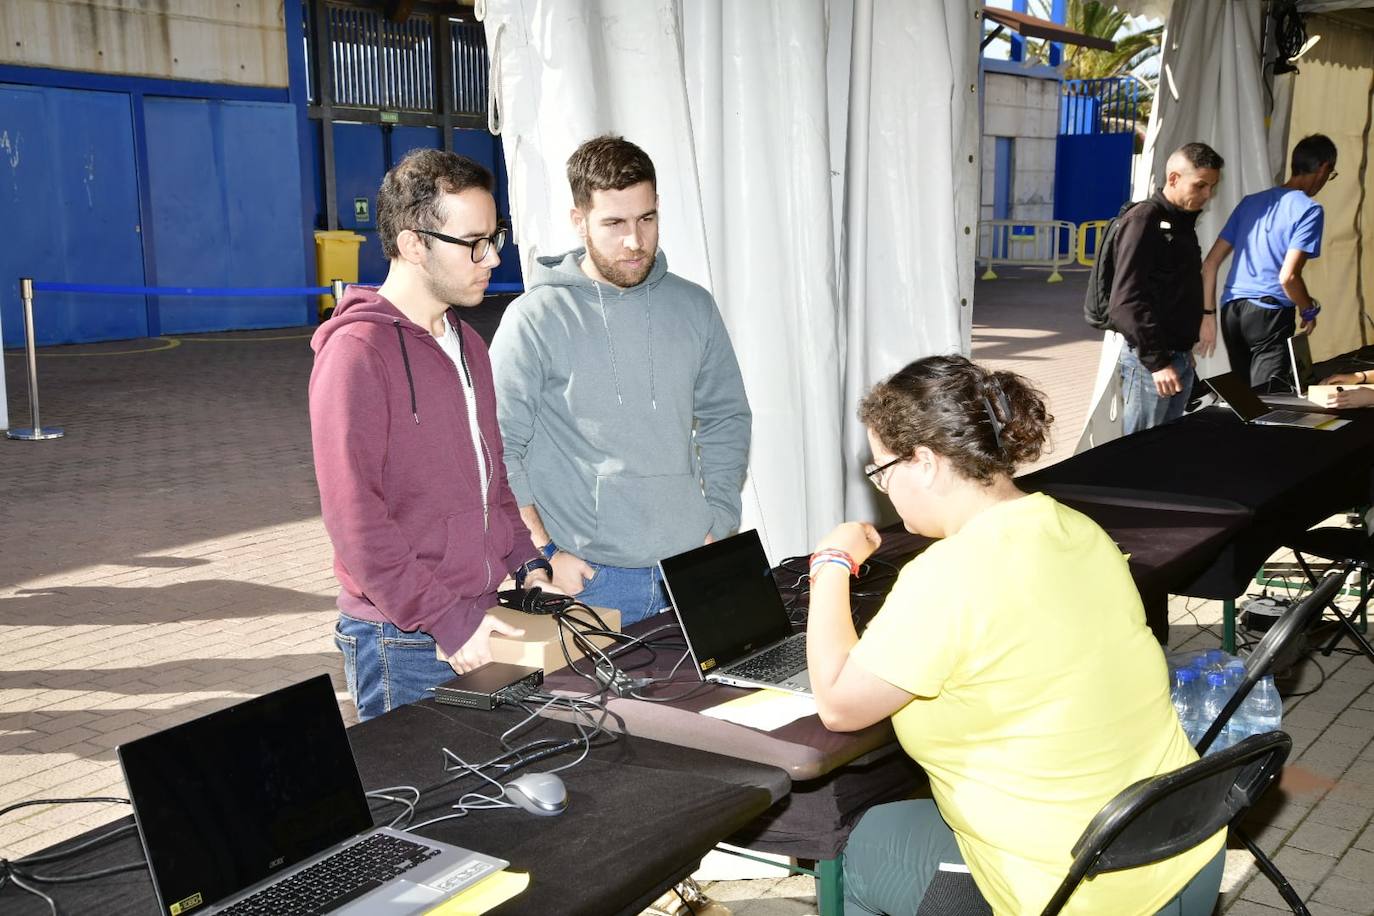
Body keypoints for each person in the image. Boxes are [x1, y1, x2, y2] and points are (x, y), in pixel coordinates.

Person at [806, 355, 1225, 916]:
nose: (883, 488)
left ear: (925, 463)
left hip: (1082, 889)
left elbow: (838, 705)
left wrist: (832, 562)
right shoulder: (1076, 527)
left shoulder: (948, 575)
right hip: (1182, 844)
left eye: (882, 471)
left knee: (858, 849)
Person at [309, 149, 555, 721]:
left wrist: (527, 561)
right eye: (473, 243)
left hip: (480, 617)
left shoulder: (469, 344)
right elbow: (355, 520)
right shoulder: (356, 354)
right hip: (406, 641)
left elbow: (492, 477)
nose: (493, 257)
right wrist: (446, 619)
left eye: (494, 238)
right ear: (414, 244)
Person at [489, 135, 751, 625]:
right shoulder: (535, 319)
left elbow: (726, 418)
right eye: (614, 223)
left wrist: (719, 519)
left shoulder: (694, 306)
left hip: (691, 567)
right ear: (579, 220)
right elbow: (498, 447)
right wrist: (543, 552)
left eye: (646, 219)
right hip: (590, 580)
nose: (635, 241)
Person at [1204, 134, 1338, 390]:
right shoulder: (1309, 210)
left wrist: (1208, 314)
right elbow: (1288, 277)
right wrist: (1308, 310)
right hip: (1268, 314)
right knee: (1267, 400)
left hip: (1232, 311)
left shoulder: (1249, 203)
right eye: (1329, 174)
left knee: (1245, 398)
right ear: (1323, 168)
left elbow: (1210, 263)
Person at [1110, 142, 1224, 434]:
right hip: (1151, 364)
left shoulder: (1181, 223)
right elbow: (1125, 302)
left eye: (1212, 187)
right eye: (1201, 185)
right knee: (1141, 450)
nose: (1207, 195)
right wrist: (1158, 362)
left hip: (1178, 358)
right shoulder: (1143, 219)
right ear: (1173, 178)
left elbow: (1177, 291)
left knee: (1167, 446)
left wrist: (1183, 349)